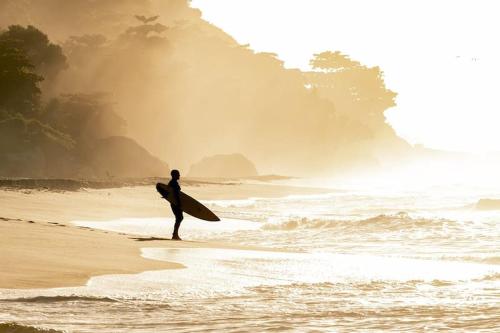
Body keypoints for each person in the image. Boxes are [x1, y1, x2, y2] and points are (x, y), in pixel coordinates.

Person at [168, 169, 183, 240]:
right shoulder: (173, 183)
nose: (179, 175)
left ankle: (175, 234)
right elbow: (176, 194)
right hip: (175, 203)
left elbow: (168, 193)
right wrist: (179, 204)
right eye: (178, 174)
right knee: (179, 218)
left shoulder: (173, 182)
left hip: (174, 203)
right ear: (174, 175)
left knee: (179, 218)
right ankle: (175, 234)